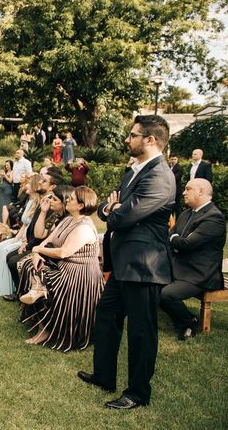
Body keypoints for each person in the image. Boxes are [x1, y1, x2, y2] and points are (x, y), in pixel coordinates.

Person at [78, 115, 175, 410]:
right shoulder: (135, 170)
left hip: (144, 264)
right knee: (107, 315)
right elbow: (112, 209)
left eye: (133, 135)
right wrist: (112, 208)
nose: (127, 140)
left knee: (142, 331)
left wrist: (114, 209)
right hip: (123, 262)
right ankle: (104, 375)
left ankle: (138, 393)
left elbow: (122, 216)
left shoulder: (160, 175)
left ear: (150, 140)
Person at [21, 186, 103, 352]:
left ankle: (45, 326)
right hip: (63, 266)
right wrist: (37, 252)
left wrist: (38, 250)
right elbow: (49, 240)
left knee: (46, 279)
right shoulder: (67, 220)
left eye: (71, 199)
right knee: (30, 264)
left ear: (81, 205)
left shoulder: (84, 228)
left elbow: (64, 252)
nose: (68, 200)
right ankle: (38, 288)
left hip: (80, 275)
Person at [160, 179, 226, 341]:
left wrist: (175, 238)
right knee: (151, 287)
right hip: (180, 267)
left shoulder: (214, 218)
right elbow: (171, 235)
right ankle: (191, 317)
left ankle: (187, 324)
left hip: (200, 274)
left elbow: (187, 244)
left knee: (165, 294)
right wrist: (176, 239)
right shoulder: (186, 213)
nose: (183, 192)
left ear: (201, 192)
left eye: (188, 189)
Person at [0, 174, 43, 297]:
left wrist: (23, 240)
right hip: (22, 235)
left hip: (29, 239)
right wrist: (16, 238)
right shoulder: (30, 202)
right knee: (0, 247)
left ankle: (8, 289)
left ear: (34, 186)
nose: (26, 185)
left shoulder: (40, 204)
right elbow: (24, 224)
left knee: (6, 250)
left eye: (29, 183)